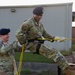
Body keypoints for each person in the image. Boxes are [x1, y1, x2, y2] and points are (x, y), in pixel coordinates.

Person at [15, 6, 75, 75]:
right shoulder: (27, 23)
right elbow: (18, 34)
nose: (39, 17)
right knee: (53, 53)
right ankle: (67, 70)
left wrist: (56, 38)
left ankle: (67, 67)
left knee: (55, 51)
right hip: (32, 45)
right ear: (33, 14)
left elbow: (45, 34)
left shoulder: (40, 24)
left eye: (41, 15)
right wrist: (24, 42)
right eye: (37, 15)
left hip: (38, 44)